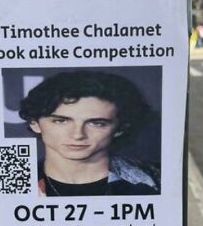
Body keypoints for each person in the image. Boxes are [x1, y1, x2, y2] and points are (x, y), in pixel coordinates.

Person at [18, 71, 160, 196]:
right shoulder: (13, 182)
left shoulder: (159, 180)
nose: (78, 134)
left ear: (120, 128)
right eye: (61, 121)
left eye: (96, 123)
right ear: (35, 123)